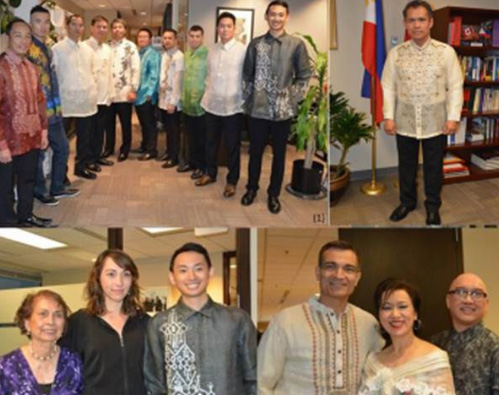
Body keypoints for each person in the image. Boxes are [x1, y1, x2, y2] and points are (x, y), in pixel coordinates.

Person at [258, 240, 383, 394]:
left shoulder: (369, 324)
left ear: (357, 278)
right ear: (318, 273)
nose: (339, 275)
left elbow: (377, 378)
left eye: (348, 269)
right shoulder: (286, 321)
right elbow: (262, 383)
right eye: (331, 267)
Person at [381, 0, 464, 225]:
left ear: (430, 22)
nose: (416, 25)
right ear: (405, 23)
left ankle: (432, 206)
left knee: (433, 167)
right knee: (406, 166)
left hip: (435, 121)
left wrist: (453, 117)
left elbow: (455, 86)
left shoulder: (446, 52)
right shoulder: (396, 54)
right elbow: (388, 86)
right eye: (411, 20)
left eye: (421, 19)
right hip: (404, 121)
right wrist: (388, 116)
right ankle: (407, 202)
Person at [144, 242, 257, 394]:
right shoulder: (159, 323)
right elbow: (154, 382)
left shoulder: (237, 320)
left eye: (198, 269)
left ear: (210, 272)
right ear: (172, 277)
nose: (192, 276)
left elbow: (253, 378)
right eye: (183, 270)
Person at [242, 0, 311, 214]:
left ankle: (274, 194)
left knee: (280, 155)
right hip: (258, 111)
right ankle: (251, 189)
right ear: (266, 16)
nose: (276, 18)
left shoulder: (296, 44)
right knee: (255, 153)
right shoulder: (255, 44)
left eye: (281, 15)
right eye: (272, 14)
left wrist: (291, 99)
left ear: (287, 17)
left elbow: (304, 76)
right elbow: (247, 76)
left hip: (282, 112)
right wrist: (248, 101)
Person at [60, 249, 149, 395]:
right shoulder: (79, 323)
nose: (119, 282)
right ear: (98, 278)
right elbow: (65, 376)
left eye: (126, 274)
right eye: (111, 274)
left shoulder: (144, 322)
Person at [358, 278, 455, 394]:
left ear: (415, 314)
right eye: (387, 308)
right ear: (379, 315)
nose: (395, 314)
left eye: (402, 306)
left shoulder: (435, 359)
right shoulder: (372, 363)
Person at [0, 18, 53, 228]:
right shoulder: (1, 67)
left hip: (31, 138)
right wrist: (1, 144)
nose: (23, 41)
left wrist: (44, 131)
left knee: (27, 181)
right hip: (8, 142)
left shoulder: (32, 68)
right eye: (17, 35)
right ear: (8, 38)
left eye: (27, 36)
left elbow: (40, 101)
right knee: (4, 186)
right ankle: (7, 222)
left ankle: (26, 215)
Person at [28, 5, 79, 206]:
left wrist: (58, 108)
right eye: (37, 22)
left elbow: (52, 81)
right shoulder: (28, 49)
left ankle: (57, 187)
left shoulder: (47, 49)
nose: (42, 26)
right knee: (39, 155)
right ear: (31, 24)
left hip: (54, 111)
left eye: (45, 22)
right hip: (38, 114)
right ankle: (40, 191)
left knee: (63, 148)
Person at [195, 12, 246, 198]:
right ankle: (210, 173)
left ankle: (232, 181)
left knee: (233, 146)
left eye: (228, 26)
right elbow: (209, 76)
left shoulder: (243, 50)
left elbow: (246, 78)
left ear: (234, 28)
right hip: (212, 104)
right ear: (217, 28)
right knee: (211, 143)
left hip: (233, 106)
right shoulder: (211, 50)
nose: (225, 29)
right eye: (221, 26)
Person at [0, 290, 84, 394]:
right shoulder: (6, 367)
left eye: (58, 315)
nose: (51, 321)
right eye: (43, 314)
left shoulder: (75, 362)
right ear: (27, 323)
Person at [432, 273, 499, 394]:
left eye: (477, 294)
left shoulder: (494, 348)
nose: (468, 300)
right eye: (461, 292)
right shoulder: (433, 344)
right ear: (448, 301)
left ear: (486, 304)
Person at [52, 14, 99, 180]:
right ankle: (61, 173)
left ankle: (81, 167)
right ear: (67, 26)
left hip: (86, 102)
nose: (77, 28)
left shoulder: (88, 50)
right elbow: (54, 76)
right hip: (65, 102)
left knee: (84, 139)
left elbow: (94, 73)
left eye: (80, 25)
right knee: (63, 143)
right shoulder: (57, 49)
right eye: (74, 25)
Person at [105, 18, 140, 162]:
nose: (117, 30)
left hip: (125, 92)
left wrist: (133, 89)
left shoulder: (130, 47)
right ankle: (109, 148)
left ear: (125, 29)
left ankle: (125, 149)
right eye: (114, 27)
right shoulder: (106, 46)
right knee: (109, 124)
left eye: (120, 27)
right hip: (108, 93)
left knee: (125, 123)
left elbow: (136, 69)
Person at [84, 15, 115, 169]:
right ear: (92, 28)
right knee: (89, 131)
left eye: (104, 27)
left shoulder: (107, 49)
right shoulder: (84, 47)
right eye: (99, 26)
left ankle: (97, 156)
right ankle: (88, 160)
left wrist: (110, 94)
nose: (102, 30)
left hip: (104, 98)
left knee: (100, 130)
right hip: (90, 98)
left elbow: (109, 73)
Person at [180, 25, 208, 180]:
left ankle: (201, 167)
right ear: (188, 38)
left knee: (201, 139)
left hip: (201, 104)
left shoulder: (208, 55)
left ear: (202, 38)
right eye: (192, 36)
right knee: (190, 136)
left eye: (198, 36)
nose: (194, 39)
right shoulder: (186, 54)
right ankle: (192, 162)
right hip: (187, 103)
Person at [158, 28, 184, 169]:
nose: (167, 40)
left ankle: (174, 157)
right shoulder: (165, 55)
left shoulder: (179, 57)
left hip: (173, 101)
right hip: (164, 98)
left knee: (174, 131)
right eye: (165, 38)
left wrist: (173, 102)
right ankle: (169, 152)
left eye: (170, 38)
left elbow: (178, 81)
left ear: (175, 40)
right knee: (168, 129)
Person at [134, 27, 160, 161]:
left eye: (145, 37)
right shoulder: (139, 53)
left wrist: (150, 93)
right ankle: (144, 145)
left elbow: (155, 76)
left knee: (150, 124)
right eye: (140, 37)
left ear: (150, 39)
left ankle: (152, 150)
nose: (142, 39)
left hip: (147, 95)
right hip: (138, 95)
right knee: (143, 123)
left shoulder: (153, 54)